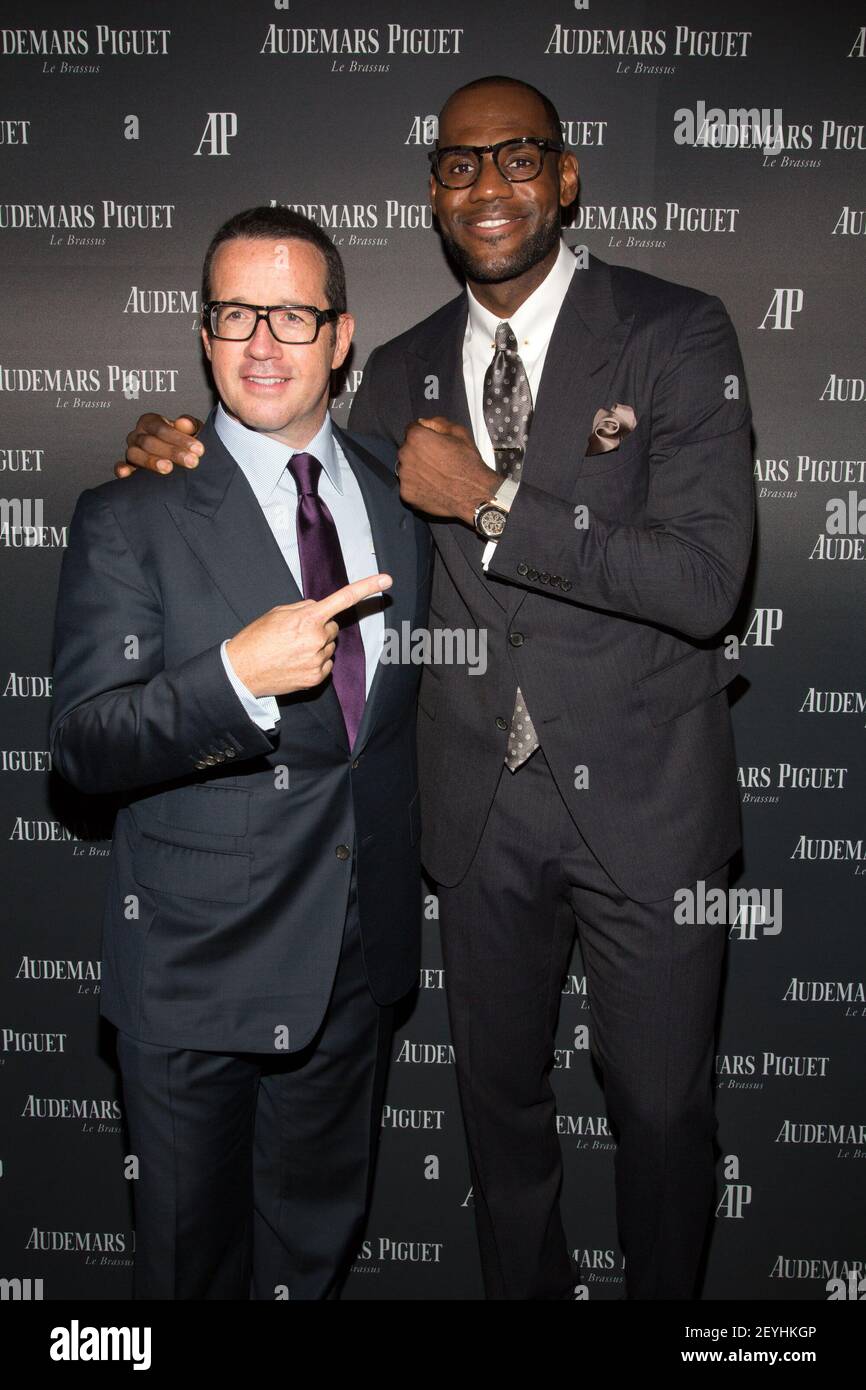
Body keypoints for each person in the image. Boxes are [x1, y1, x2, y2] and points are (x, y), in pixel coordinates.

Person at [116, 75, 755, 1301]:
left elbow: (705, 580)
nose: (489, 185)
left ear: (564, 177)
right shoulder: (398, 366)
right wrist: (178, 456)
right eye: (459, 166)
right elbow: (293, 483)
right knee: (500, 1129)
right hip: (476, 819)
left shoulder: (678, 332)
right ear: (432, 196)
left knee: (666, 1122)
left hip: (646, 806)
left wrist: (493, 501)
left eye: (517, 158)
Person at [50, 205, 430, 1300]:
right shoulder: (131, 513)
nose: (262, 342)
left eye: (293, 315)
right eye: (234, 314)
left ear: (342, 335)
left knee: (310, 1264)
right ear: (204, 333)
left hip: (352, 967)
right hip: (194, 978)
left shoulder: (397, 493)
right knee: (190, 1273)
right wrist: (232, 680)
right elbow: (81, 741)